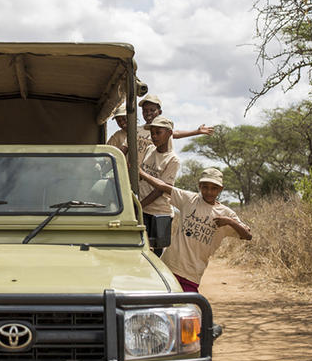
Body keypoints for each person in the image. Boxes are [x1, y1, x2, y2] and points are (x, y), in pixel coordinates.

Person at [138, 167, 252, 292]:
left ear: (221, 189)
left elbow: (247, 235)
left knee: (188, 306)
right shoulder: (189, 199)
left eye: (214, 188)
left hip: (192, 274)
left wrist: (229, 222)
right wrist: (141, 173)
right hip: (169, 265)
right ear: (199, 186)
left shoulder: (226, 213)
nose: (209, 191)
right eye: (205, 187)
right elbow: (163, 186)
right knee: (164, 304)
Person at [107, 94, 214, 164]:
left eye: (152, 110)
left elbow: (175, 133)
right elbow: (123, 150)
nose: (148, 113)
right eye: (145, 111)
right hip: (136, 175)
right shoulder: (136, 131)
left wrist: (197, 131)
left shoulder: (164, 131)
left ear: (159, 112)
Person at [137, 116, 180, 257]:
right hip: (143, 209)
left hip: (160, 214)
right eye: (152, 133)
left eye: (158, 133)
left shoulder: (172, 159)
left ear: (169, 133)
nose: (154, 136)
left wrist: (139, 206)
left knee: (156, 255)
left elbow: (161, 190)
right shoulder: (149, 149)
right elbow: (140, 178)